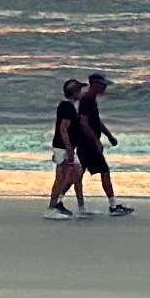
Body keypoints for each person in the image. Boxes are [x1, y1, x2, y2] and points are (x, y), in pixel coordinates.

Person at [76, 69, 132, 216]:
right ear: (94, 84)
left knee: (77, 174)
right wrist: (96, 141)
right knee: (104, 171)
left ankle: (59, 201)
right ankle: (113, 206)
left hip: (86, 142)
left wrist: (109, 136)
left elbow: (96, 120)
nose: (105, 88)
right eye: (102, 85)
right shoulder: (87, 99)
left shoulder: (91, 99)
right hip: (87, 143)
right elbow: (83, 122)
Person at [47, 76, 88, 215]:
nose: (81, 93)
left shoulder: (68, 106)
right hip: (63, 148)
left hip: (65, 147)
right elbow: (63, 129)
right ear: (74, 92)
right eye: (79, 90)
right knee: (61, 178)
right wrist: (69, 148)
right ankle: (52, 208)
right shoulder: (67, 107)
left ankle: (80, 208)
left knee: (77, 174)